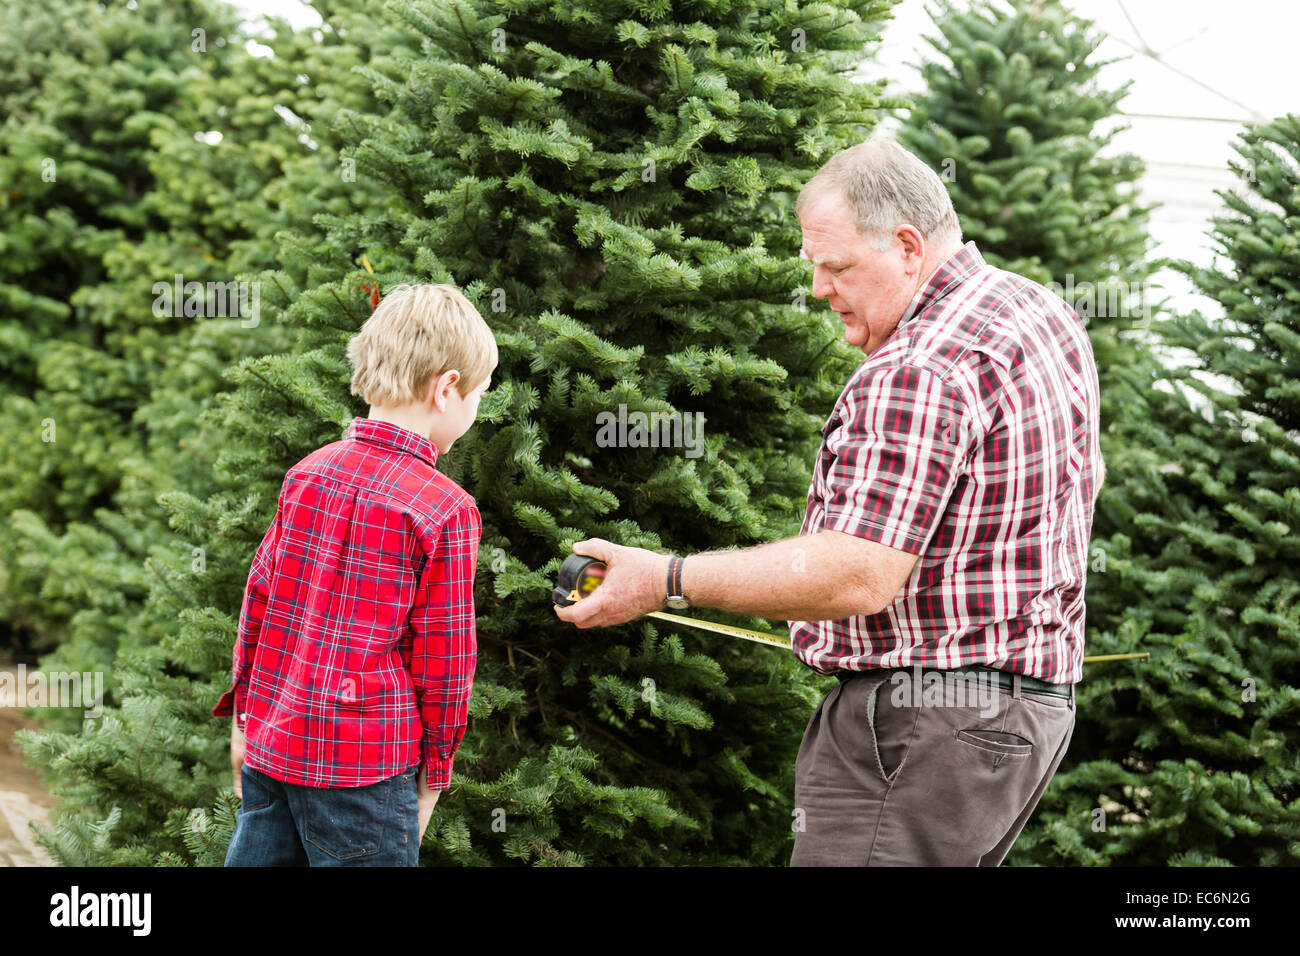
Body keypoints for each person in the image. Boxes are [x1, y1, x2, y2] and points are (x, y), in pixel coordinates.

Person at [554, 136, 1103, 866]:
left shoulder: (918, 366)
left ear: (909, 247)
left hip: (921, 728)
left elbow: (857, 575)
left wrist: (664, 579)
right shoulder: (1036, 311)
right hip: (1023, 716)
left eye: (836, 266)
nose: (818, 289)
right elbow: (1074, 484)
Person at [214, 283, 497, 866]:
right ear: (447, 389)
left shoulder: (308, 474)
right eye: (479, 396)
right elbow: (445, 664)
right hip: (365, 774)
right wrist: (434, 779)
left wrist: (245, 720)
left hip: (273, 748)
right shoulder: (446, 509)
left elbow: (259, 605)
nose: (476, 410)